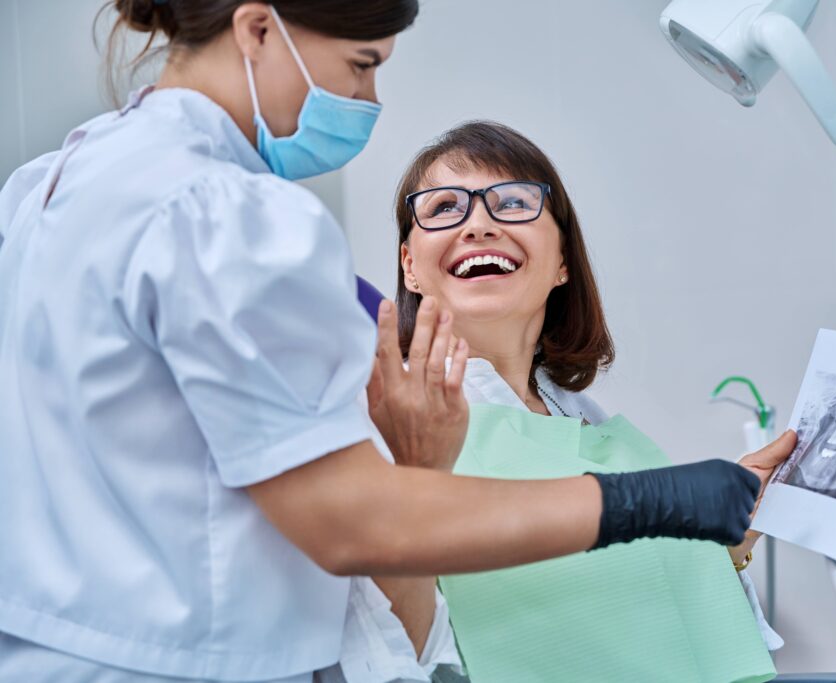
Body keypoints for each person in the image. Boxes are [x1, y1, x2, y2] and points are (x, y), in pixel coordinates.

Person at [0, 2, 789, 682]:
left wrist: (700, 538)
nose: (366, 97)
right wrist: (659, 502)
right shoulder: (228, 214)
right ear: (256, 30)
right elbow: (353, 524)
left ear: (562, 254)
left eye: (512, 202)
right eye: (360, 63)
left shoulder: (50, 183)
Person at [385, 120, 836, 683]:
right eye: (443, 207)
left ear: (562, 263)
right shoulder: (387, 421)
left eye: (515, 202)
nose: (478, 222)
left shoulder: (587, 423)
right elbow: (392, 648)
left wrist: (731, 536)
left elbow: (637, 591)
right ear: (412, 267)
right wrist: (414, 490)